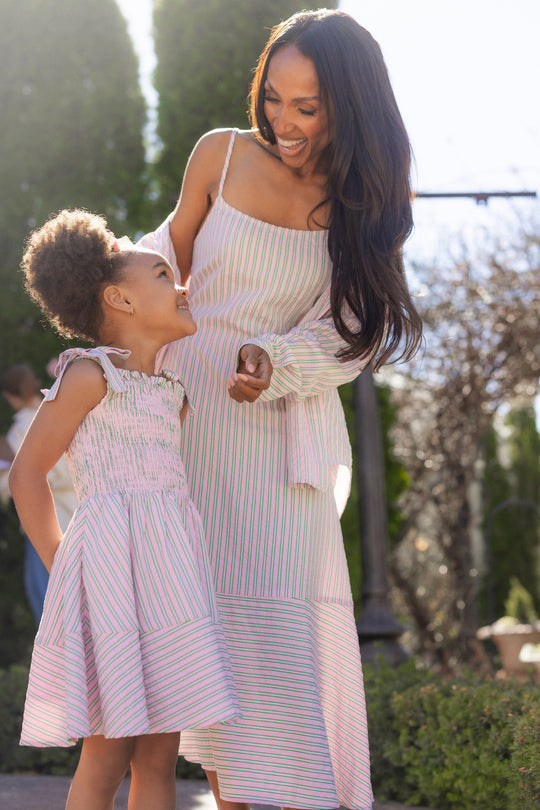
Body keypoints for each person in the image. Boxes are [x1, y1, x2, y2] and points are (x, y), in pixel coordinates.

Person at [141, 9, 423, 810]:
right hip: (189, 421)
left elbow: (356, 332)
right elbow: (164, 261)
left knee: (282, 642)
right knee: (209, 640)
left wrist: (278, 363)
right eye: (276, 98)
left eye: (309, 106)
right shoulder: (219, 155)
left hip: (280, 432)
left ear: (351, 104)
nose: (285, 123)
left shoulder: (366, 199)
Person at [9, 209, 240, 810]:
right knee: (108, 750)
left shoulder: (171, 392)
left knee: (160, 756)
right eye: (164, 274)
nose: (182, 285)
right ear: (120, 299)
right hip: (112, 576)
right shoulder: (90, 375)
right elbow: (27, 474)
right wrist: (62, 560)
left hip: (170, 579)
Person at [0, 363, 77, 624]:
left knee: (50, 601)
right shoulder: (62, 409)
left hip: (43, 519)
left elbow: (16, 483)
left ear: (10, 397)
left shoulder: (20, 430)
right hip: (81, 512)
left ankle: (64, 663)